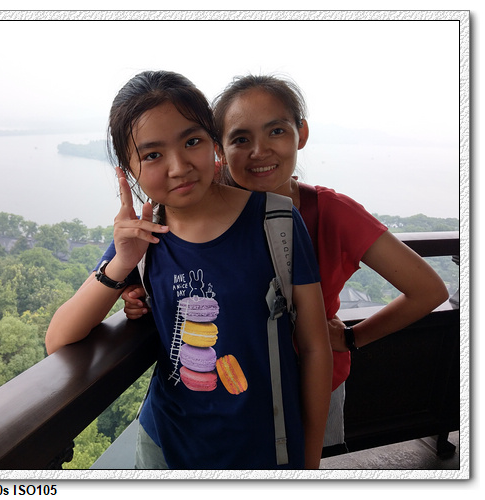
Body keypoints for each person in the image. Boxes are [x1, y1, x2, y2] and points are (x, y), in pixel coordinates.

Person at [118, 74, 450, 454]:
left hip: (311, 386)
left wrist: (352, 338)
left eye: (276, 131)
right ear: (219, 148)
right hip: (232, 400)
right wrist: (138, 292)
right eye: (241, 139)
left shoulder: (329, 212)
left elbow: (428, 290)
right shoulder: (196, 212)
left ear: (300, 134)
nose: (259, 151)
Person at [45, 70, 332, 469]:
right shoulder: (143, 237)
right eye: (152, 155)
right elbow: (59, 338)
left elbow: (316, 348)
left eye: (192, 141)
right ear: (128, 170)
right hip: (166, 446)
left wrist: (310, 461)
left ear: (214, 142)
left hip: (263, 446)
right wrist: (122, 263)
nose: (178, 166)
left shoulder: (275, 221)